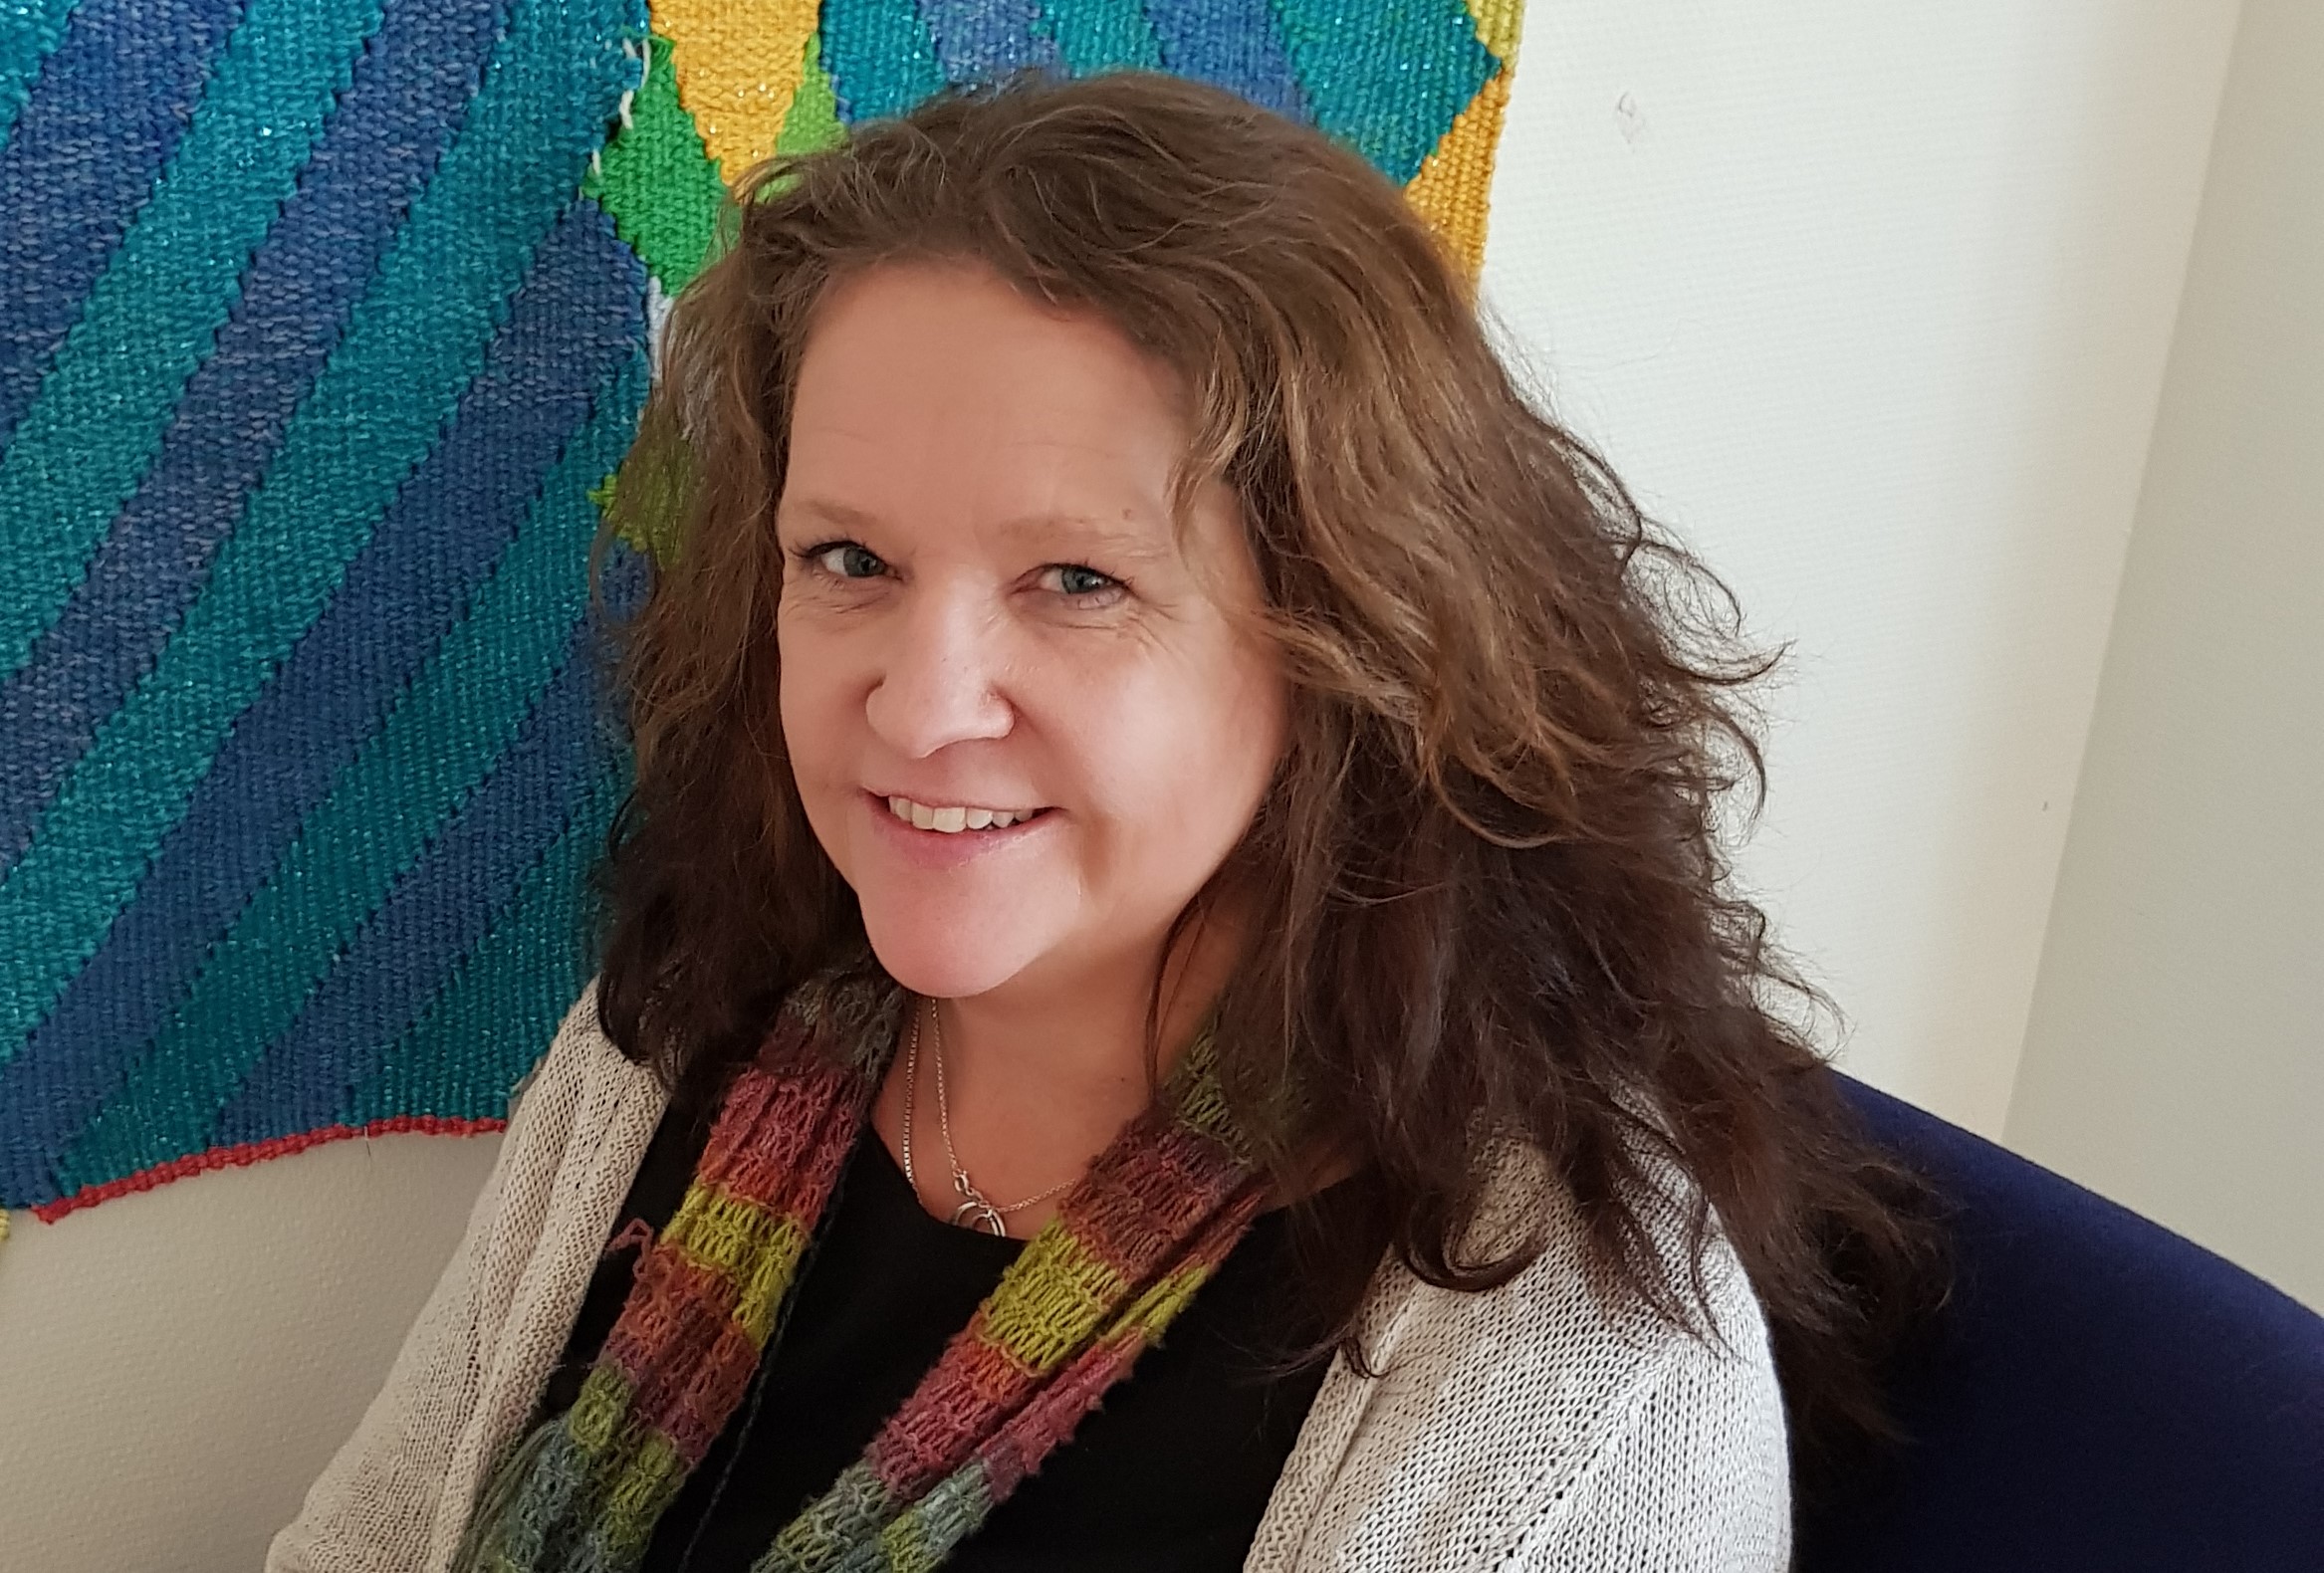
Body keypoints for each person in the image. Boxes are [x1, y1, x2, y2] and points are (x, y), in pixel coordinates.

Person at [269, 69, 1937, 1573]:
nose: (921, 707)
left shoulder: (1561, 1376)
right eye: (848, 559)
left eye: (1076, 581)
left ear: (1350, 643)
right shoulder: (675, 1036)